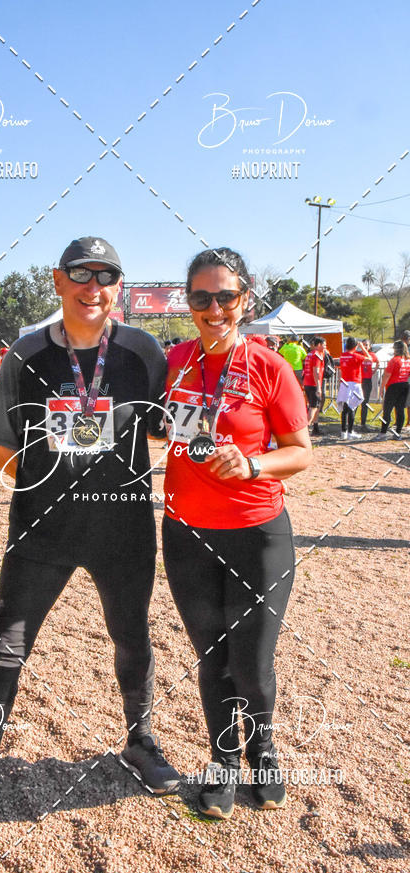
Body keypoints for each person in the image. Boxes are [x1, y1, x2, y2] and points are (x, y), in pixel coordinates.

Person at [0, 236, 179, 848]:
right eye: (80, 274)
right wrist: (43, 480)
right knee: (4, 646)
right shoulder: (28, 351)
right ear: (58, 280)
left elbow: (172, 425)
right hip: (42, 530)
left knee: (131, 635)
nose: (93, 287)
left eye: (106, 276)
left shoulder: (145, 351)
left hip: (122, 528)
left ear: (118, 286)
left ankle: (140, 742)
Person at [161, 247, 312, 820]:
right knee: (212, 657)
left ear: (245, 299)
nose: (215, 308)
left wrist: (252, 464)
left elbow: (300, 452)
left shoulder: (270, 366)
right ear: (189, 303)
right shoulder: (175, 360)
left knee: (251, 662)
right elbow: (153, 425)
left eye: (226, 296)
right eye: (202, 297)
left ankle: (263, 748)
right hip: (187, 535)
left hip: (257, 534)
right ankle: (224, 759)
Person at [336, 337, 371, 440]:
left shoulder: (343, 355)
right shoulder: (355, 356)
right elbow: (369, 358)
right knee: (352, 407)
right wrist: (362, 348)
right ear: (355, 346)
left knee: (345, 408)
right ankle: (350, 432)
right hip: (354, 383)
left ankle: (343, 432)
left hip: (344, 383)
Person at [378, 340, 410, 438]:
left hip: (393, 386)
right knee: (400, 410)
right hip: (404, 385)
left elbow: (387, 375)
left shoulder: (394, 360)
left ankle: (383, 433)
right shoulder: (408, 360)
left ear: (395, 349)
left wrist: (381, 387)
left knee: (387, 410)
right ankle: (398, 433)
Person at [302, 337, 326, 437]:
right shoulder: (316, 356)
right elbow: (316, 371)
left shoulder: (309, 354)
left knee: (316, 406)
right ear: (319, 345)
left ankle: (315, 428)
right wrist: (318, 387)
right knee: (313, 407)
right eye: (324, 345)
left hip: (307, 382)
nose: (325, 347)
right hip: (313, 384)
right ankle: (305, 429)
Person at [359, 339, 379, 431]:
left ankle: (363, 423)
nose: (365, 347)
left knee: (365, 402)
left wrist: (374, 370)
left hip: (367, 380)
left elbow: (377, 362)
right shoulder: (358, 354)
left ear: (370, 346)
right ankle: (350, 422)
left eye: (367, 345)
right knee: (356, 401)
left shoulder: (372, 355)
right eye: (364, 345)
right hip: (359, 380)